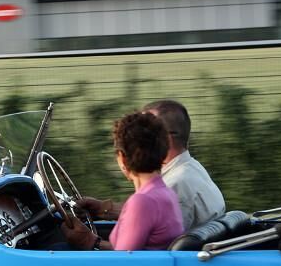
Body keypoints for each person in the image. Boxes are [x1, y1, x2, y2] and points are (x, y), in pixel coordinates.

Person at [78, 99, 225, 232]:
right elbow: (148, 213)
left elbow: (142, 245)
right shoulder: (191, 169)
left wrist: (89, 242)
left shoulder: (174, 185)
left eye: (146, 132)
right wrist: (104, 209)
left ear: (164, 138)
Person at [62, 111, 184, 251]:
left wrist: (89, 241)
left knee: (57, 247)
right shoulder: (166, 193)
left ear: (123, 158)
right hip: (149, 264)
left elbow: (122, 259)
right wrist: (104, 209)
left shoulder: (142, 201)